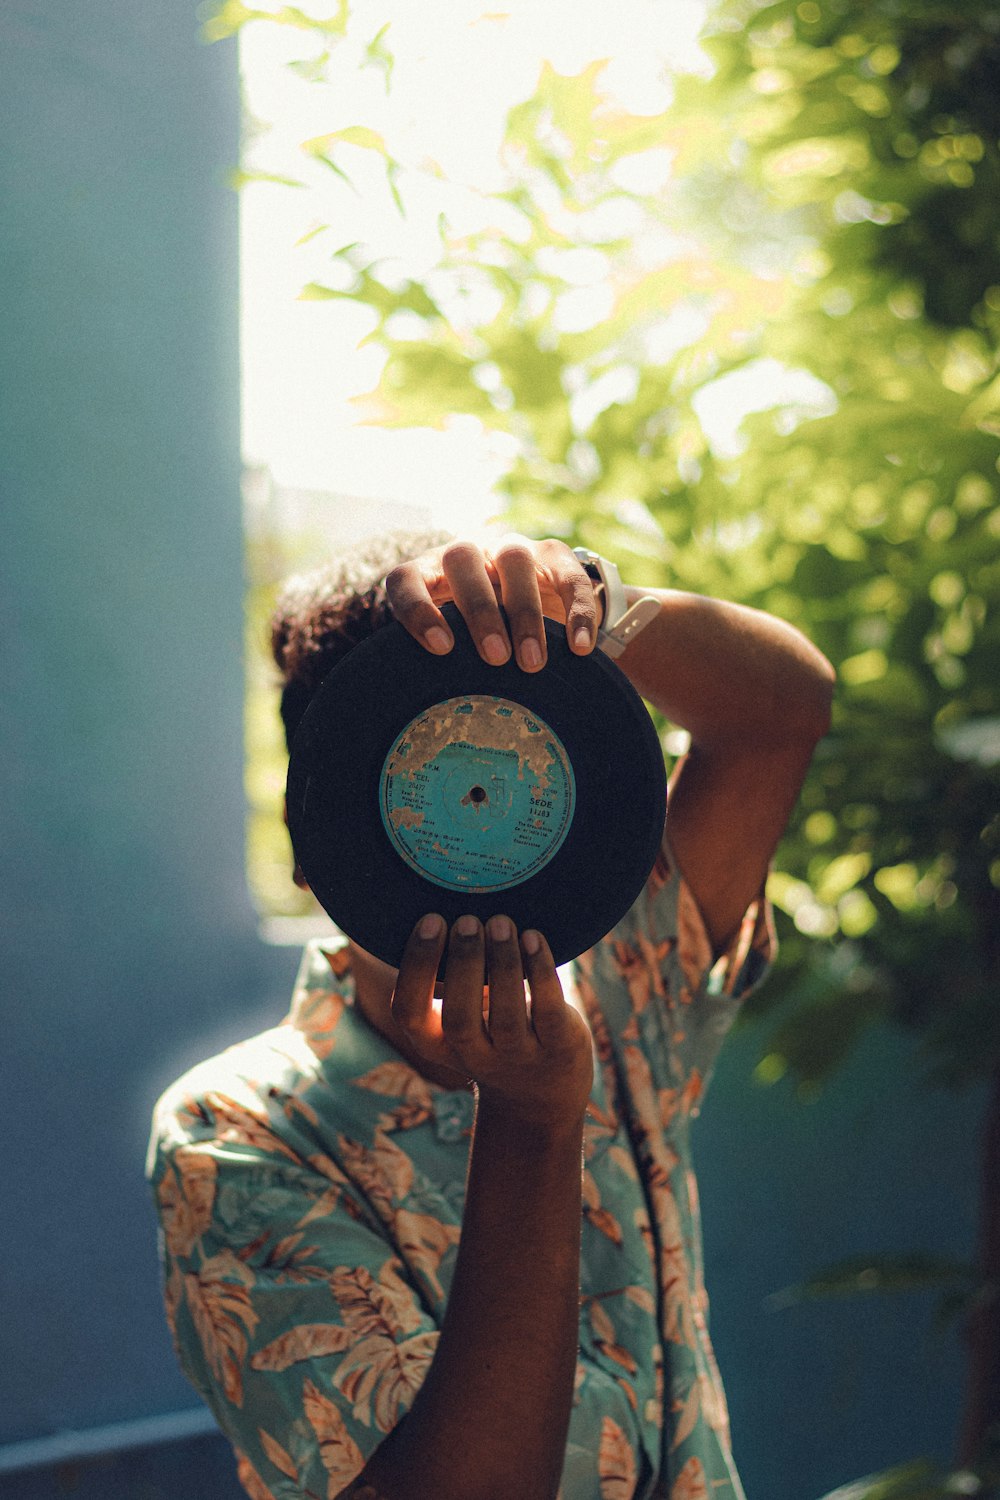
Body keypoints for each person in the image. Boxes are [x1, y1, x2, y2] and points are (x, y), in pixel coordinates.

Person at [148, 531, 834, 1500]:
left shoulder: (621, 975)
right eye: (425, 776)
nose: (472, 801)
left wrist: (594, 607)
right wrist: (533, 1121)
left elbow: (784, 715)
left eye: (500, 777)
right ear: (314, 841)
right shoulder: (237, 1134)